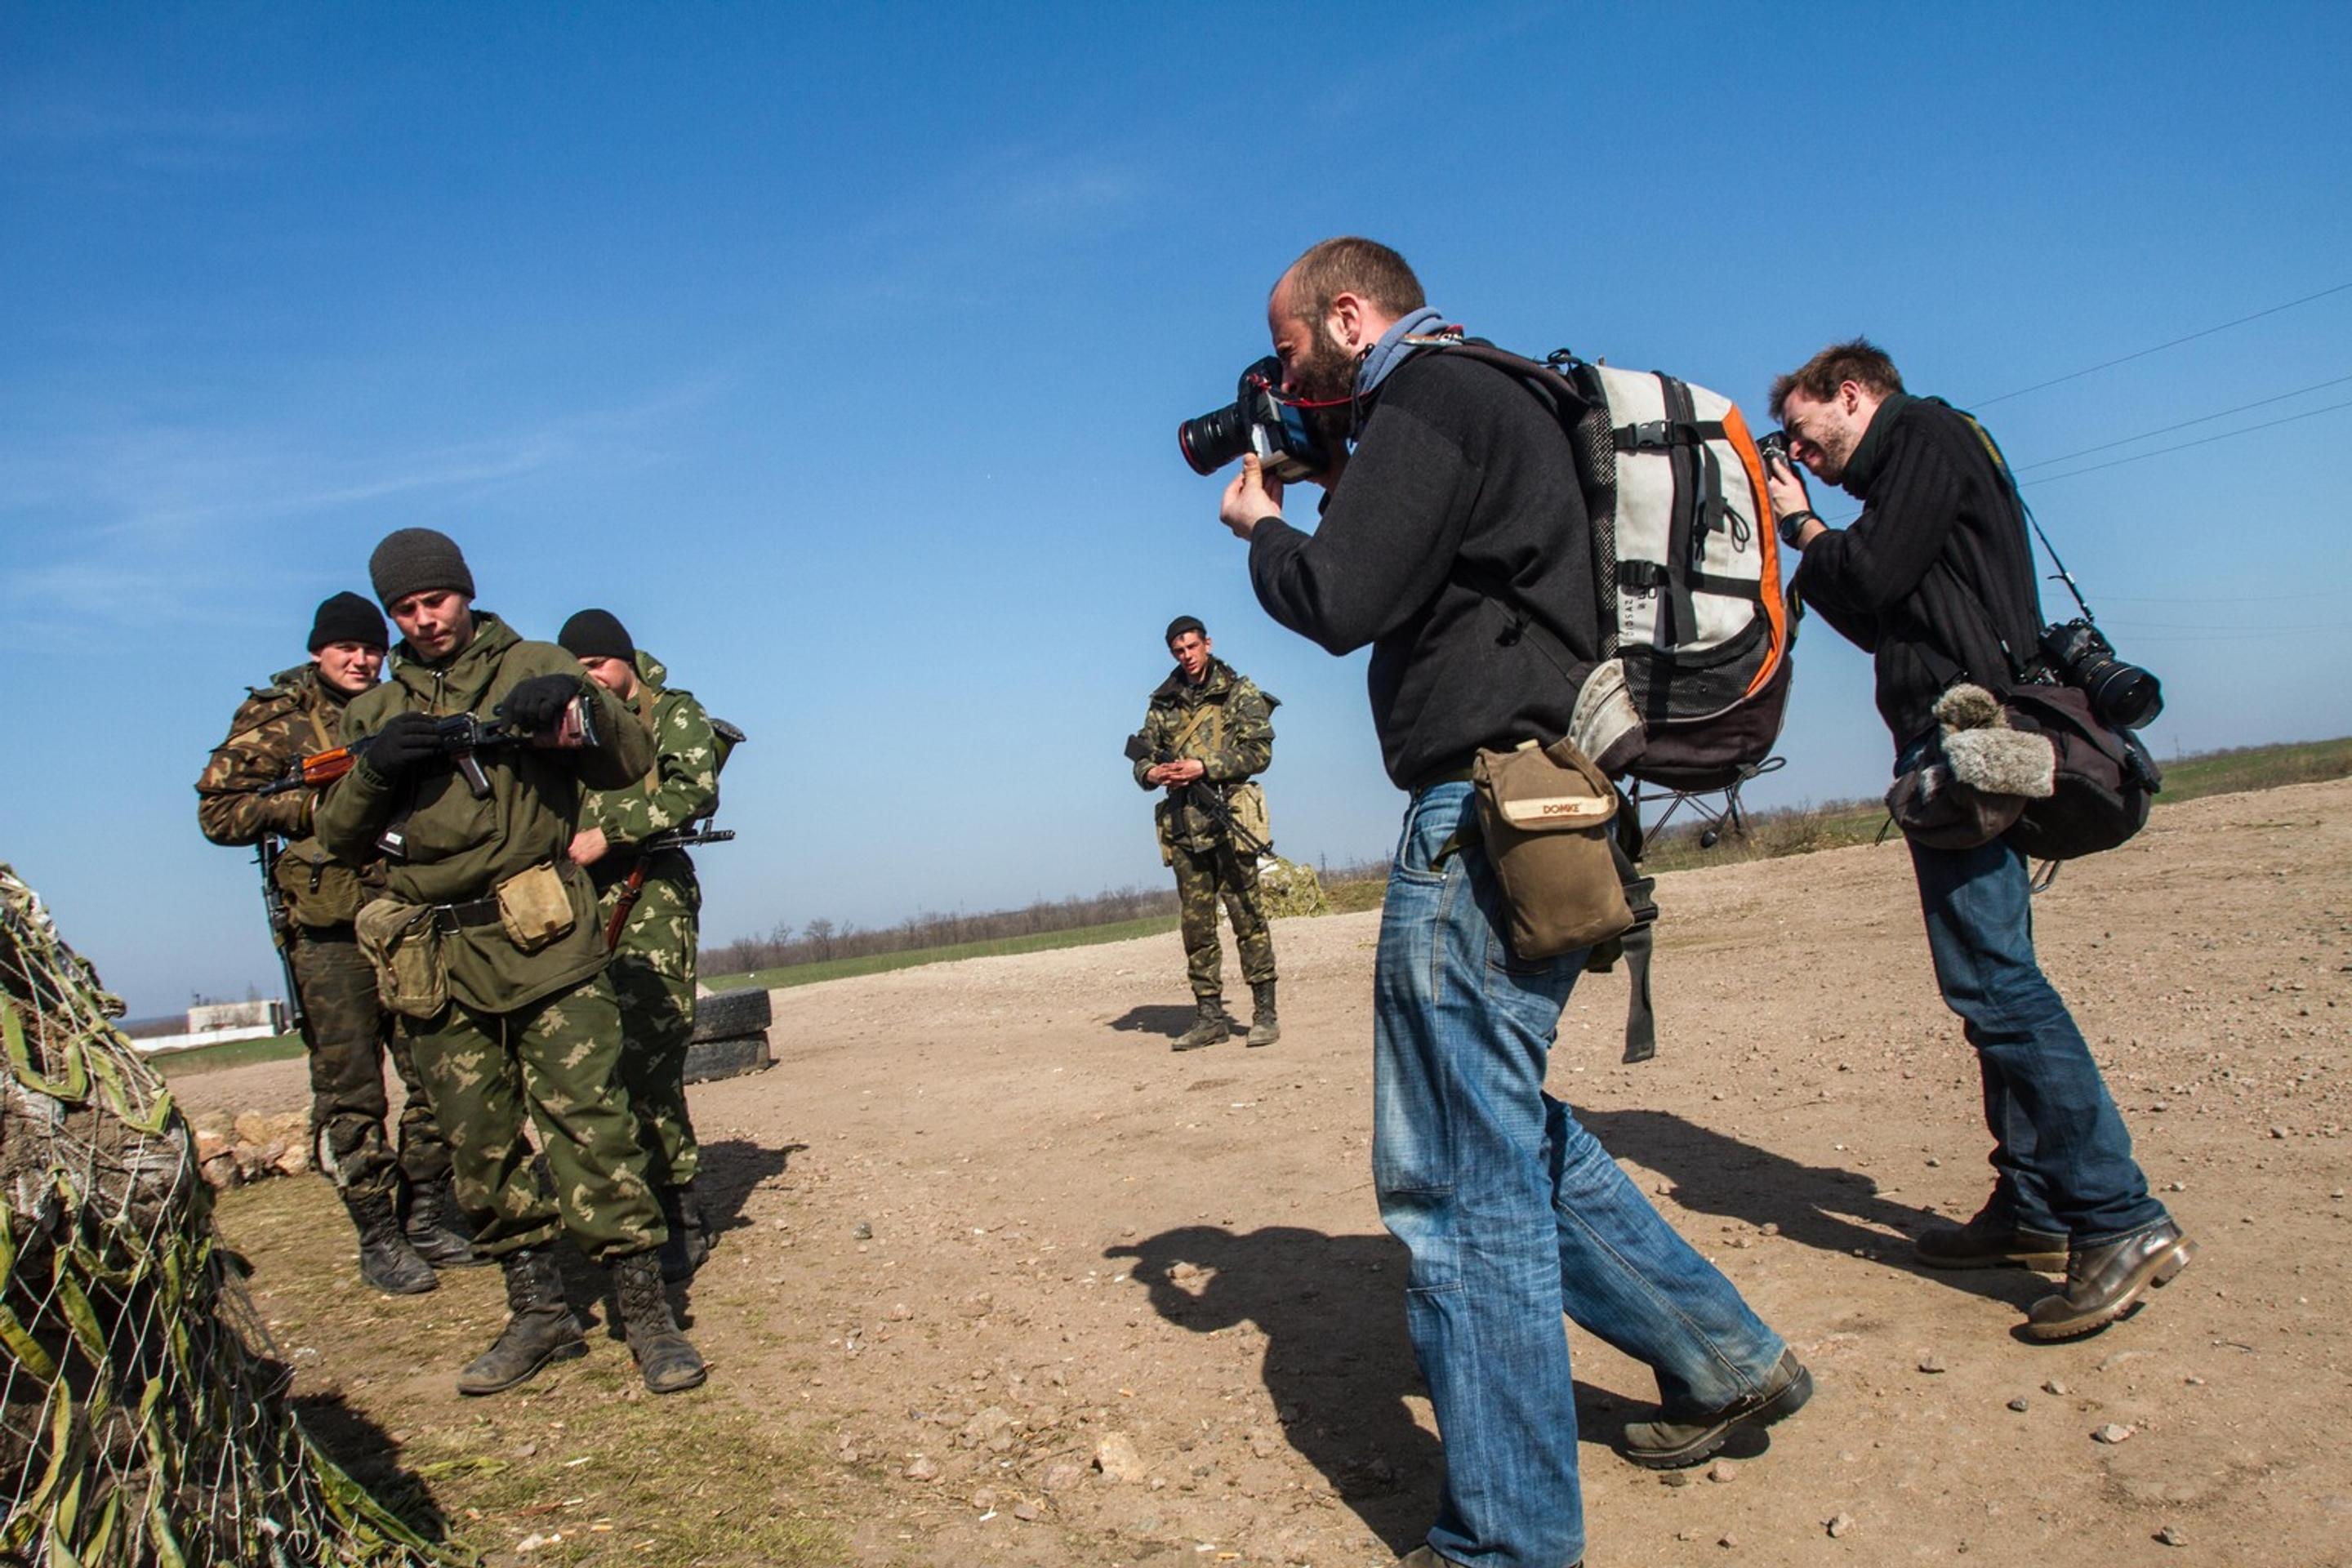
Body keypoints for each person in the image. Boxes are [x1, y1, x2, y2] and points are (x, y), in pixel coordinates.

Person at [1215, 237, 1807, 1568]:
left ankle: (1512, 1544)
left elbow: (1340, 597)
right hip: (1560, 806)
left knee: (1454, 1188)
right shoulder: (1510, 397)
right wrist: (1349, 476)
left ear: (1350, 316)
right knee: (1510, 1134)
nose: (1286, 376)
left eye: (1295, 349)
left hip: (1479, 823)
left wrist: (1265, 524)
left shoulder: (1424, 398)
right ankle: (1724, 1358)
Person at [1764, 338, 2194, 1339]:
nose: (1798, 447)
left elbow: (1866, 576)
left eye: (1802, 426)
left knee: (1996, 985)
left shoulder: (1923, 435)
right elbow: (1886, 616)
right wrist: (1824, 546)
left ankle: (2116, 1214)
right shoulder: (1911, 474)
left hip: (1969, 737)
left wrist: (1806, 530)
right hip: (1948, 735)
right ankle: (2036, 1204)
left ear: (1855, 395)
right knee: (1993, 976)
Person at [314, 528, 706, 1396]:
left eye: (436, 601)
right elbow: (338, 837)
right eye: (405, 610)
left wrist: (574, 699)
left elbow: (632, 759)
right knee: (479, 1146)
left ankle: (646, 1314)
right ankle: (538, 1314)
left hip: (545, 938)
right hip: (438, 953)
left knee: (592, 1124)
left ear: (464, 590)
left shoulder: (532, 660)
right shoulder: (375, 711)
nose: (424, 621)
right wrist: (374, 771)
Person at [195, 592, 478, 1294]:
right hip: (327, 935)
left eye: (372, 647)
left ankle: (426, 1216)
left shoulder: (397, 705)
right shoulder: (277, 720)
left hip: (405, 915)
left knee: (435, 1074)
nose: (362, 659)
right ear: (318, 650)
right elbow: (218, 811)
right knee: (350, 1095)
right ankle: (378, 1235)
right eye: (347, 648)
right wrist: (316, 804)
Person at [559, 608, 722, 1281]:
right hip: (581, 899)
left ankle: (681, 1213)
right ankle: (625, 1213)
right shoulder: (571, 726)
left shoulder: (672, 712)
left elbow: (696, 788)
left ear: (624, 660)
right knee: (595, 1062)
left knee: (653, 1057)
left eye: (599, 664)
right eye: (579, 670)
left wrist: (615, 830)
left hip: (651, 894)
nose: (590, 677)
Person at [1131, 616, 1281, 1050]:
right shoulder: (1163, 702)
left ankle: (1265, 1014)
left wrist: (1205, 767)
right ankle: (1209, 1017)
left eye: (1192, 647)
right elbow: (1139, 755)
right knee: (1196, 928)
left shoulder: (1238, 691)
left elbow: (1260, 751)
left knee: (1248, 918)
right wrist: (1153, 771)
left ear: (1207, 644)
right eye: (1179, 651)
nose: (1187, 657)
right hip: (1184, 827)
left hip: (1229, 820)